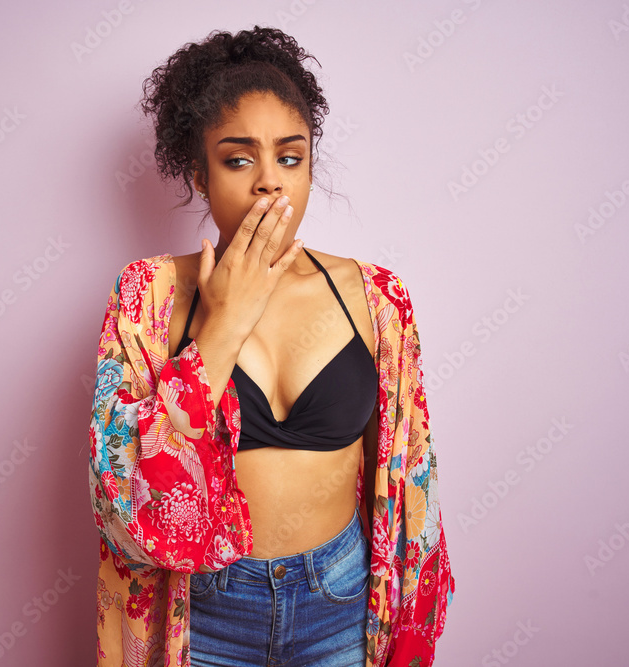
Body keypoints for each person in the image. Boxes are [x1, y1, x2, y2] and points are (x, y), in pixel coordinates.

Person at [88, 26, 454, 667]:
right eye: (237, 159)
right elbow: (125, 497)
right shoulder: (148, 297)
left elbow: (411, 480)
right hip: (205, 612)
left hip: (338, 603)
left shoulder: (375, 297)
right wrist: (225, 322)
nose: (268, 183)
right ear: (199, 173)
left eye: (290, 157)